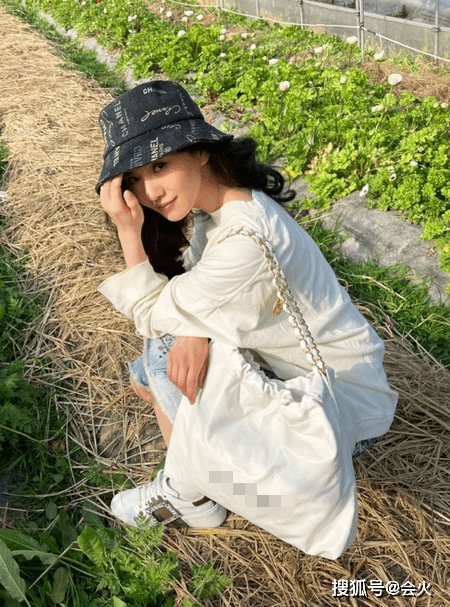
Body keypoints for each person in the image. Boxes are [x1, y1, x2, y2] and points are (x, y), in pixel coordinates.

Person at [95, 80, 398, 534]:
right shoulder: (222, 210)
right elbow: (198, 294)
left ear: (200, 151)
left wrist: (126, 231)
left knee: (162, 349)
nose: (150, 192)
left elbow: (153, 315)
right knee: (151, 371)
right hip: (319, 381)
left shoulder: (245, 237)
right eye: (135, 180)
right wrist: (197, 328)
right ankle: (192, 485)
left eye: (159, 165)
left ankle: (189, 494)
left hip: (336, 409)